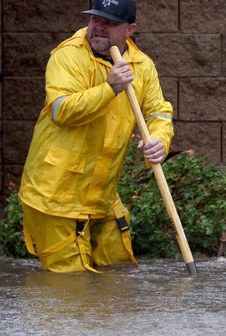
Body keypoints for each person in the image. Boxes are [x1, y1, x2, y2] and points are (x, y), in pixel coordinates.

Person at [18, 0, 174, 273]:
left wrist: (159, 139)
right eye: (95, 19)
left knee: (118, 276)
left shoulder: (142, 66)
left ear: (130, 29)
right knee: (71, 288)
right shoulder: (67, 56)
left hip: (102, 194)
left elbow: (159, 112)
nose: (98, 28)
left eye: (110, 22)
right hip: (56, 196)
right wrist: (109, 88)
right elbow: (62, 110)